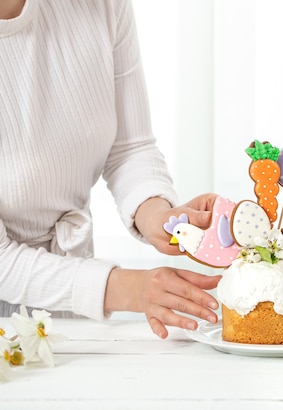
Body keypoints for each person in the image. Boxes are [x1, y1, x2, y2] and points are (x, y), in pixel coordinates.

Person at [0, 0, 220, 339]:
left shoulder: (102, 5)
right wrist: (127, 288)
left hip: (73, 314)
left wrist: (157, 215)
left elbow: (129, 146)